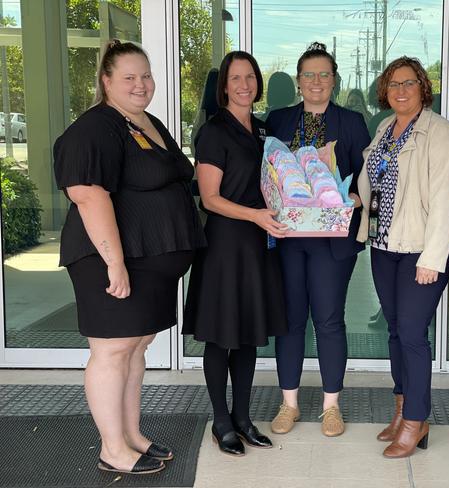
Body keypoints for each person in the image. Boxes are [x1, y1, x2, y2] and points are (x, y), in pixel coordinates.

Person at [53, 40, 205, 475]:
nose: (141, 85)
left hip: (147, 261)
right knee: (112, 351)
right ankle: (112, 449)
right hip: (110, 259)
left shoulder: (146, 121)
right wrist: (115, 262)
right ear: (105, 81)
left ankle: (131, 435)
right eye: (129, 78)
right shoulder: (96, 127)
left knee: (136, 347)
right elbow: (86, 192)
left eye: (146, 76)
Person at [357, 56, 449, 458]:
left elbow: (443, 203)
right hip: (384, 245)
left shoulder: (441, 134)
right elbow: (372, 176)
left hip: (422, 249)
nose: (401, 91)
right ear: (385, 91)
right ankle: (401, 410)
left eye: (409, 83)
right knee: (395, 330)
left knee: (413, 335)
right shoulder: (385, 127)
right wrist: (356, 198)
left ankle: (417, 420)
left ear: (423, 88)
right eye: (394, 84)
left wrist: (433, 258)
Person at [183, 51, 288, 457]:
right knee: (220, 336)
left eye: (250, 77)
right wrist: (255, 216)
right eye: (235, 78)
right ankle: (220, 421)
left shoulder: (263, 132)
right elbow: (209, 199)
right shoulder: (214, 132)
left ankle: (243, 418)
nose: (244, 85)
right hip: (226, 245)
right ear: (223, 86)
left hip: (260, 245)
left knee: (248, 338)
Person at [266, 42, 370, 437]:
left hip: (333, 240)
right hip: (290, 238)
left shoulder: (352, 121)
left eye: (324, 74)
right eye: (308, 74)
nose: (316, 81)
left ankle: (331, 406)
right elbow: (267, 173)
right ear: (298, 80)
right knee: (291, 321)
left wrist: (358, 197)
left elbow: (364, 175)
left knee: (328, 320)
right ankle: (288, 404)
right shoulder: (277, 121)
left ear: (334, 79)